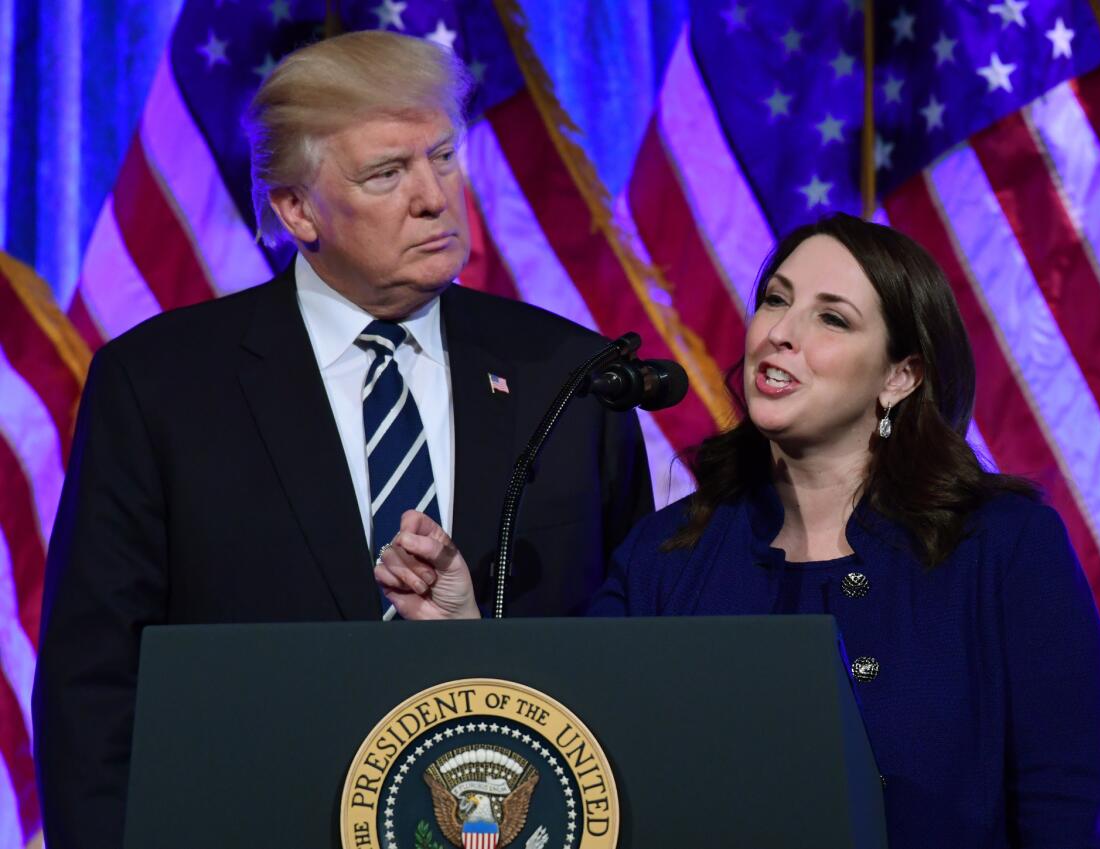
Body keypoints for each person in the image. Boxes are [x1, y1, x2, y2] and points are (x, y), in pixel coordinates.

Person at [33, 31, 652, 849]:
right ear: (295, 210)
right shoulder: (159, 386)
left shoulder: (569, 376)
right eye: (388, 174)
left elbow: (635, 649)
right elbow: (94, 683)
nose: (435, 196)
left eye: (441, 156)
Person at [377, 214, 1100, 848]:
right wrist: (462, 627)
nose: (780, 334)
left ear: (901, 376)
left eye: (832, 318)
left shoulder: (1002, 545)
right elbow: (579, 746)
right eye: (775, 300)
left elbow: (1061, 806)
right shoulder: (669, 556)